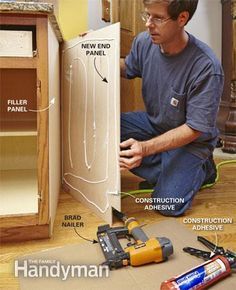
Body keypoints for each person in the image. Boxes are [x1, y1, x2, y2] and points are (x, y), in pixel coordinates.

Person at [119, 0, 224, 216]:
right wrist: (97, 51)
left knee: (167, 203)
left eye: (157, 18)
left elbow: (195, 129)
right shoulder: (144, 42)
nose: (148, 24)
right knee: (104, 129)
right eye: (147, 15)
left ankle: (203, 168)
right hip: (154, 125)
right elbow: (128, 67)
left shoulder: (206, 67)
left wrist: (145, 148)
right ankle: (171, 166)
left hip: (192, 141)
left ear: (182, 18)